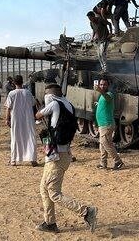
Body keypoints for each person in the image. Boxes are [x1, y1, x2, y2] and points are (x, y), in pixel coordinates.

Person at [34, 84, 97, 233]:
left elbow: (37, 116)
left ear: (49, 95)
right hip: (60, 153)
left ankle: (87, 212)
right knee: (44, 189)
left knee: (54, 193)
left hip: (56, 155)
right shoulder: (68, 104)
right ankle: (50, 223)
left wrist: (40, 108)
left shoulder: (54, 104)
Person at [5, 74, 37, 166]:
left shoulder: (12, 93)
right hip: (28, 119)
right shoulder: (28, 93)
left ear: (14, 83)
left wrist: (7, 119)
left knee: (15, 138)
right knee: (30, 137)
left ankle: (13, 160)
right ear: (22, 82)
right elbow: (33, 104)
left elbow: (8, 107)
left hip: (16, 119)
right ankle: (33, 159)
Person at [95, 76, 124, 170]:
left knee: (106, 143)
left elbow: (107, 98)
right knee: (102, 144)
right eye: (101, 84)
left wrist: (100, 91)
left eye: (104, 85)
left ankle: (118, 161)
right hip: (102, 124)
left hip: (107, 124)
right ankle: (103, 163)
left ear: (108, 86)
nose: (102, 86)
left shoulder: (109, 94)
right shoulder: (102, 96)